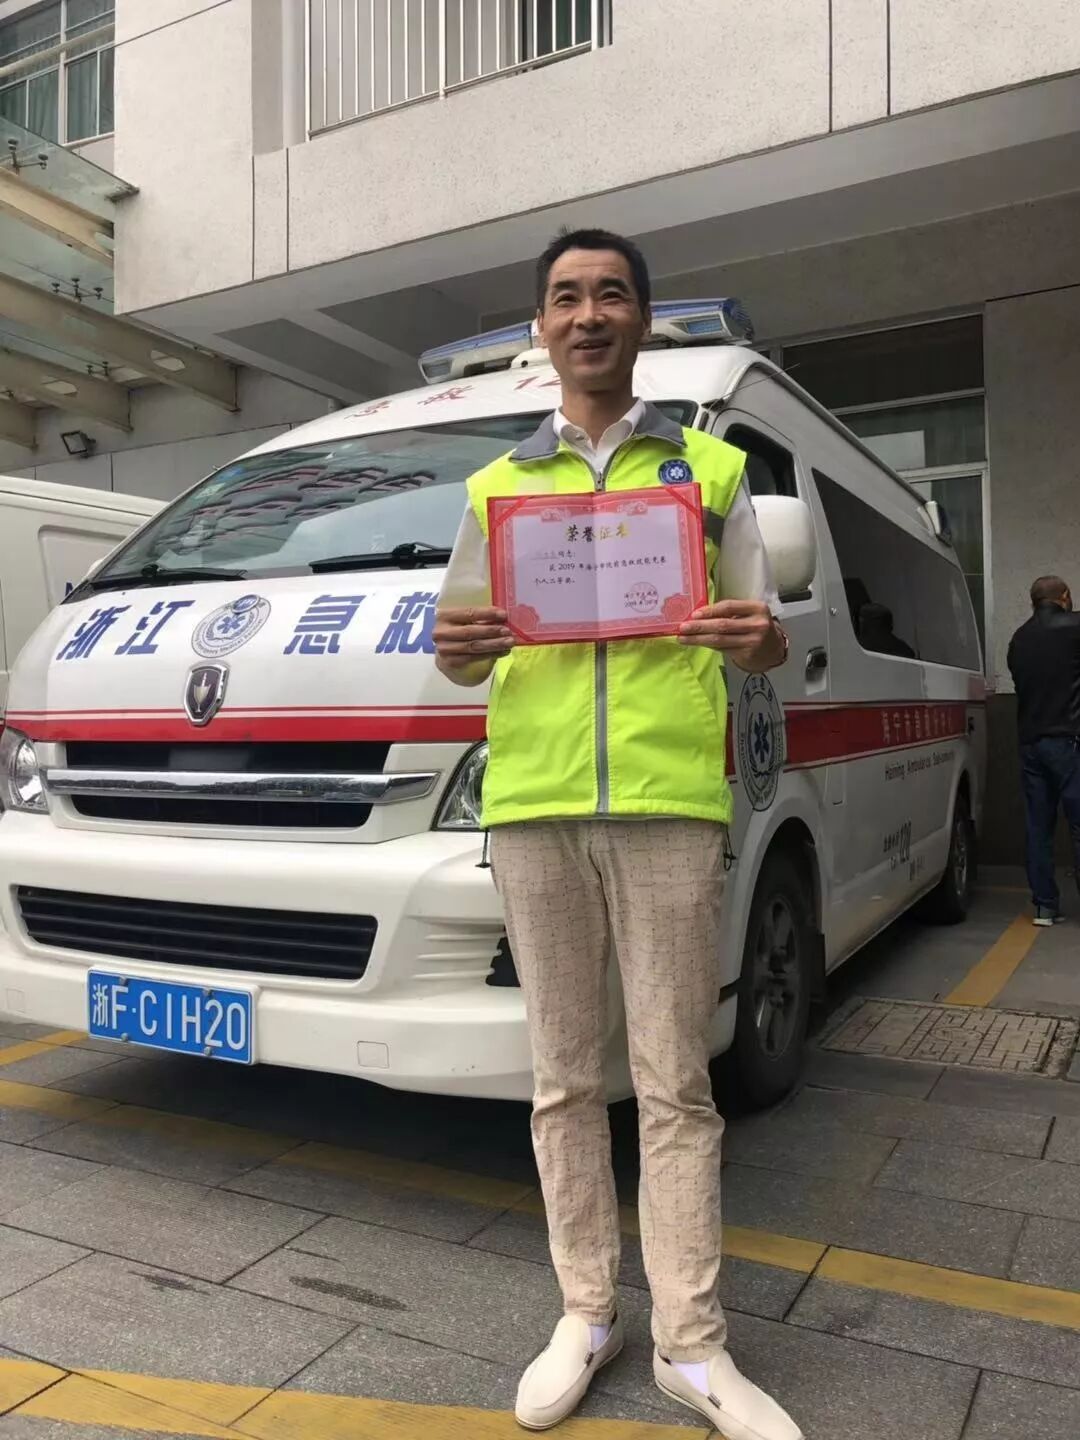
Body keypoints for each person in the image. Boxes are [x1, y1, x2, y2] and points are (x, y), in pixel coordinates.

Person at [434, 227, 800, 1440]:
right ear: (542, 328)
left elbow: (763, 635)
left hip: (667, 804)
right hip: (535, 807)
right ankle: (587, 1313)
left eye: (609, 295)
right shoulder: (496, 488)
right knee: (561, 1081)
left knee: (675, 1082)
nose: (587, 314)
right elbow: (458, 649)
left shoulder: (712, 472)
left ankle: (693, 1345)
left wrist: (761, 640)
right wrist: (454, 649)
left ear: (643, 319)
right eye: (565, 297)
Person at [1007, 574, 1080, 925]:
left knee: (1038, 826)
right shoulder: (1075, 628)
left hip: (1031, 743)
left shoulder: (1018, 638)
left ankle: (1045, 906)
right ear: (1064, 596)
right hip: (1069, 740)